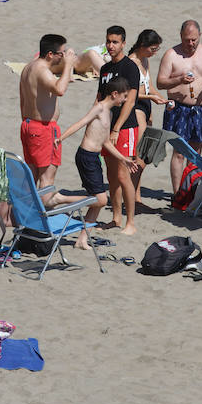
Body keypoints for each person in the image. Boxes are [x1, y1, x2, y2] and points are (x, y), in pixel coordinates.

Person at [59, 77, 140, 250]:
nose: (125, 100)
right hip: (86, 156)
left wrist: (124, 159)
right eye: (124, 96)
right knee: (101, 200)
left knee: (97, 201)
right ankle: (60, 198)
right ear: (115, 94)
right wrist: (60, 139)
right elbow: (80, 123)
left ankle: (82, 239)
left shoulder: (109, 113)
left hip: (95, 158)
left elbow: (106, 142)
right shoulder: (99, 108)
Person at [155, 19, 202, 193]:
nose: (190, 44)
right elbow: (160, 83)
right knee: (179, 153)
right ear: (181, 36)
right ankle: (177, 193)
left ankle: (190, 190)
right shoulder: (171, 54)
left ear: (200, 36)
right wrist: (179, 79)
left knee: (196, 152)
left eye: (194, 40)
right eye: (186, 40)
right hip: (178, 108)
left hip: (199, 109)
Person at [97, 26, 143, 235]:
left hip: (124, 128)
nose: (111, 46)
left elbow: (131, 100)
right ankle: (116, 218)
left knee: (124, 176)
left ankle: (130, 222)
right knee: (112, 175)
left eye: (115, 42)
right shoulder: (105, 69)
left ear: (123, 43)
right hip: (106, 128)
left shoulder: (130, 67)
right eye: (108, 41)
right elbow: (99, 100)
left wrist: (116, 128)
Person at [18, 33, 76, 195]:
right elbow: (60, 90)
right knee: (46, 179)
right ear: (50, 54)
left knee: (31, 176)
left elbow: (22, 100)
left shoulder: (28, 67)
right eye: (61, 53)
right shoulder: (42, 70)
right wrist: (68, 65)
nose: (63, 56)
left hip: (28, 125)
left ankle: (24, 214)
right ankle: (41, 217)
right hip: (43, 129)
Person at [126, 28, 165, 207]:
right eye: (153, 49)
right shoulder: (130, 63)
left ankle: (136, 197)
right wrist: (151, 97)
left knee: (144, 155)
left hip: (146, 105)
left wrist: (161, 98)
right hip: (135, 107)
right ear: (143, 45)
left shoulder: (145, 60)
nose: (154, 52)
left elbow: (148, 86)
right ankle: (130, 197)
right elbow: (131, 94)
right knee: (140, 155)